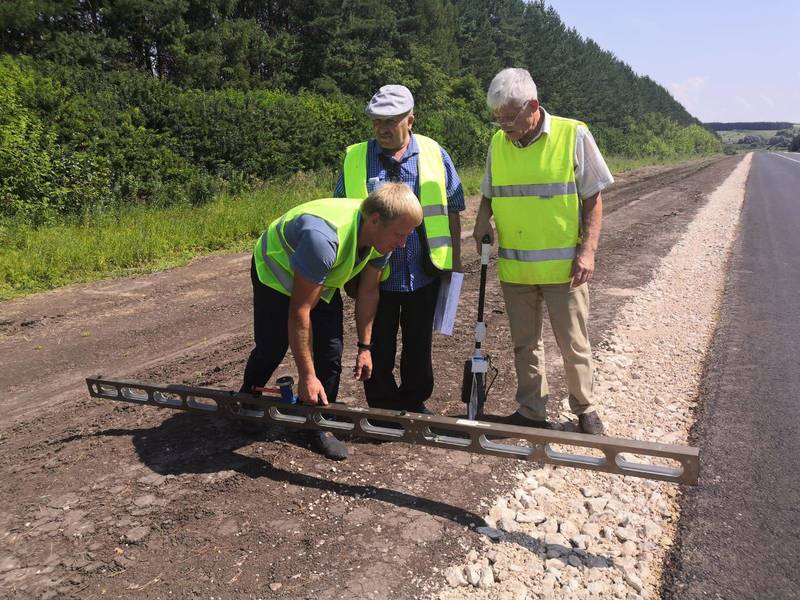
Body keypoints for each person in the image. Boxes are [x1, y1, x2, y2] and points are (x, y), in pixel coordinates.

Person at [472, 68, 613, 435]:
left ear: (532, 106)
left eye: (509, 117)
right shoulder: (497, 143)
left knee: (573, 343)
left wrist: (588, 251)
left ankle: (585, 409)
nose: (503, 125)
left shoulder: (572, 134)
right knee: (525, 344)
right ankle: (532, 409)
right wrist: (481, 220)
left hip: (564, 270)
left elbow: (593, 198)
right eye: (497, 118)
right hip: (516, 269)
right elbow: (489, 191)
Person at [239, 183, 423, 459]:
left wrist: (365, 348)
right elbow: (300, 311)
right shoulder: (323, 239)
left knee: (331, 349)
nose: (403, 244)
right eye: (400, 234)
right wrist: (307, 376)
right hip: (276, 273)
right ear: (375, 220)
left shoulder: (381, 237)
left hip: (319, 273)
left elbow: (368, 291)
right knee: (273, 345)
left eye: (407, 235)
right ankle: (248, 400)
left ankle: (318, 423)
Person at [334, 84, 465, 414]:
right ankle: (382, 406)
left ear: (410, 120)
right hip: (374, 276)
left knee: (419, 343)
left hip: (424, 270)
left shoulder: (435, 154)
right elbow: (342, 214)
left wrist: (456, 262)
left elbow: (452, 208)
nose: (382, 128)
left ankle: (413, 400)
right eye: (377, 121)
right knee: (378, 342)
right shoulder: (355, 159)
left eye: (391, 121)